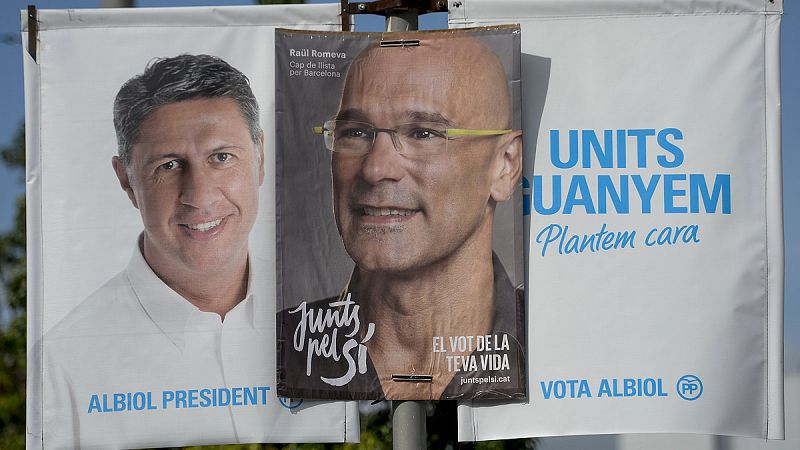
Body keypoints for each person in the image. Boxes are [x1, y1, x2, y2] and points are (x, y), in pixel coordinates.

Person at [41, 54, 273, 448]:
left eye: (222, 157)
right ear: (126, 180)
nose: (199, 197)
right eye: (168, 166)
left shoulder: (334, 315)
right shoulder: (63, 362)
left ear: (260, 158)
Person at [278, 33, 526, 401]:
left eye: (423, 133)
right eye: (356, 132)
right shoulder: (280, 348)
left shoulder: (553, 345)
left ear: (505, 166)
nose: (376, 168)